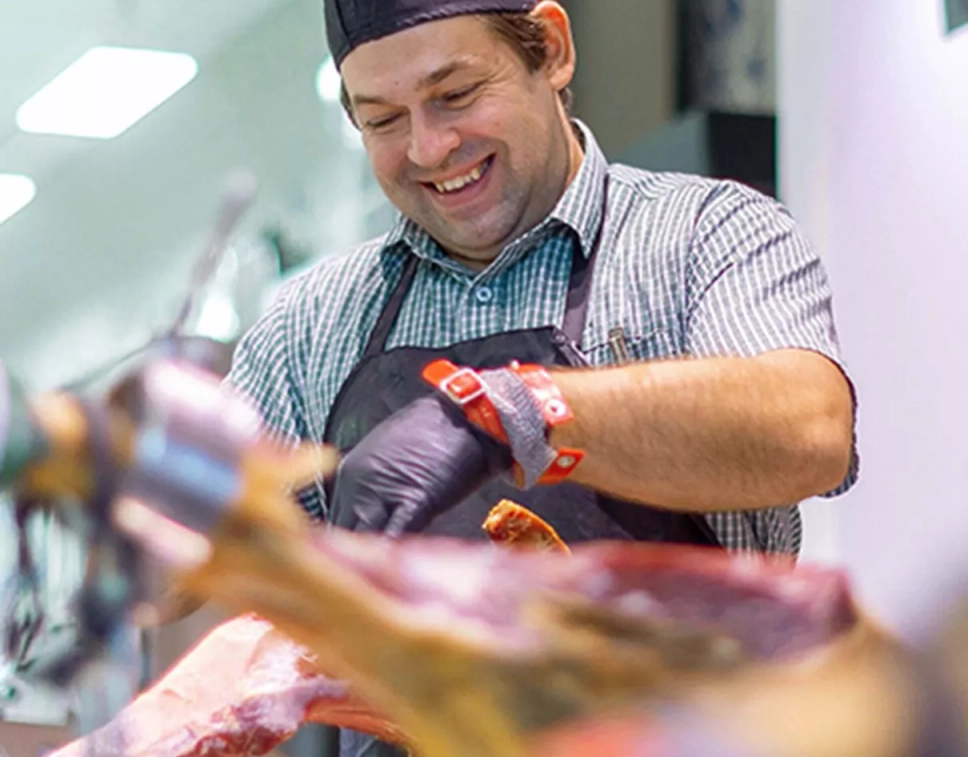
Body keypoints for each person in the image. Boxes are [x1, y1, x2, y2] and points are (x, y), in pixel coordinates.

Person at [227, 1, 858, 754]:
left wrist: (514, 414)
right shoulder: (308, 327)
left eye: (456, 95)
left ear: (553, 50)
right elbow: (200, 550)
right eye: (383, 120)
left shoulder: (703, 236)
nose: (429, 148)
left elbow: (808, 430)